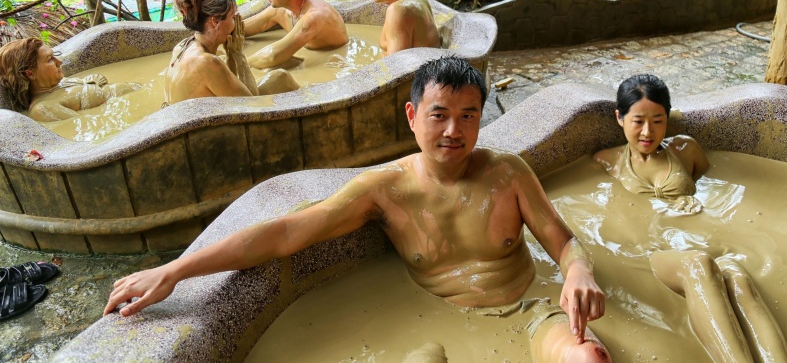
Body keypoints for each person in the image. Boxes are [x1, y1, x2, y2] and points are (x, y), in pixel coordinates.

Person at [105, 56, 610, 363]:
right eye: (440, 115)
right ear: (412, 117)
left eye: (468, 116)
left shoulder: (509, 172)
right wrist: (175, 269)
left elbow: (563, 242)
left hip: (528, 308)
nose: (454, 131)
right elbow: (285, 233)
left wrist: (579, 271)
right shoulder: (384, 189)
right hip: (436, 318)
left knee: (589, 356)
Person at [595, 74, 787, 363]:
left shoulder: (686, 150)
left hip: (695, 238)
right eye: (638, 121)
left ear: (668, 118)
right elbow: (607, 219)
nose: (648, 131)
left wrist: (694, 199)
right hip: (650, 251)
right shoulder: (607, 162)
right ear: (620, 118)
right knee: (698, 265)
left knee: (737, 277)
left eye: (658, 120)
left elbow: (714, 187)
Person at [165, 0, 299, 104]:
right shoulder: (206, 62)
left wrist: (230, 56)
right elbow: (253, 107)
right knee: (281, 78)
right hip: (203, 132)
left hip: (197, 123)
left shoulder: (182, 46)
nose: (238, 22)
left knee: (277, 78)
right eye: (233, 16)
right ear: (215, 21)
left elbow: (229, 91)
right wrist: (238, 54)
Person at [0, 37, 140, 122]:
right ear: (30, 73)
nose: (59, 61)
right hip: (134, 108)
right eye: (50, 59)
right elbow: (86, 122)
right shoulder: (43, 109)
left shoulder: (61, 83)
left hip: (135, 96)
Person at [242, 0, 348, 68]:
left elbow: (274, 55)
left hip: (335, 64)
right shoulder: (281, 10)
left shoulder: (315, 16)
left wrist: (239, 63)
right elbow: (243, 28)